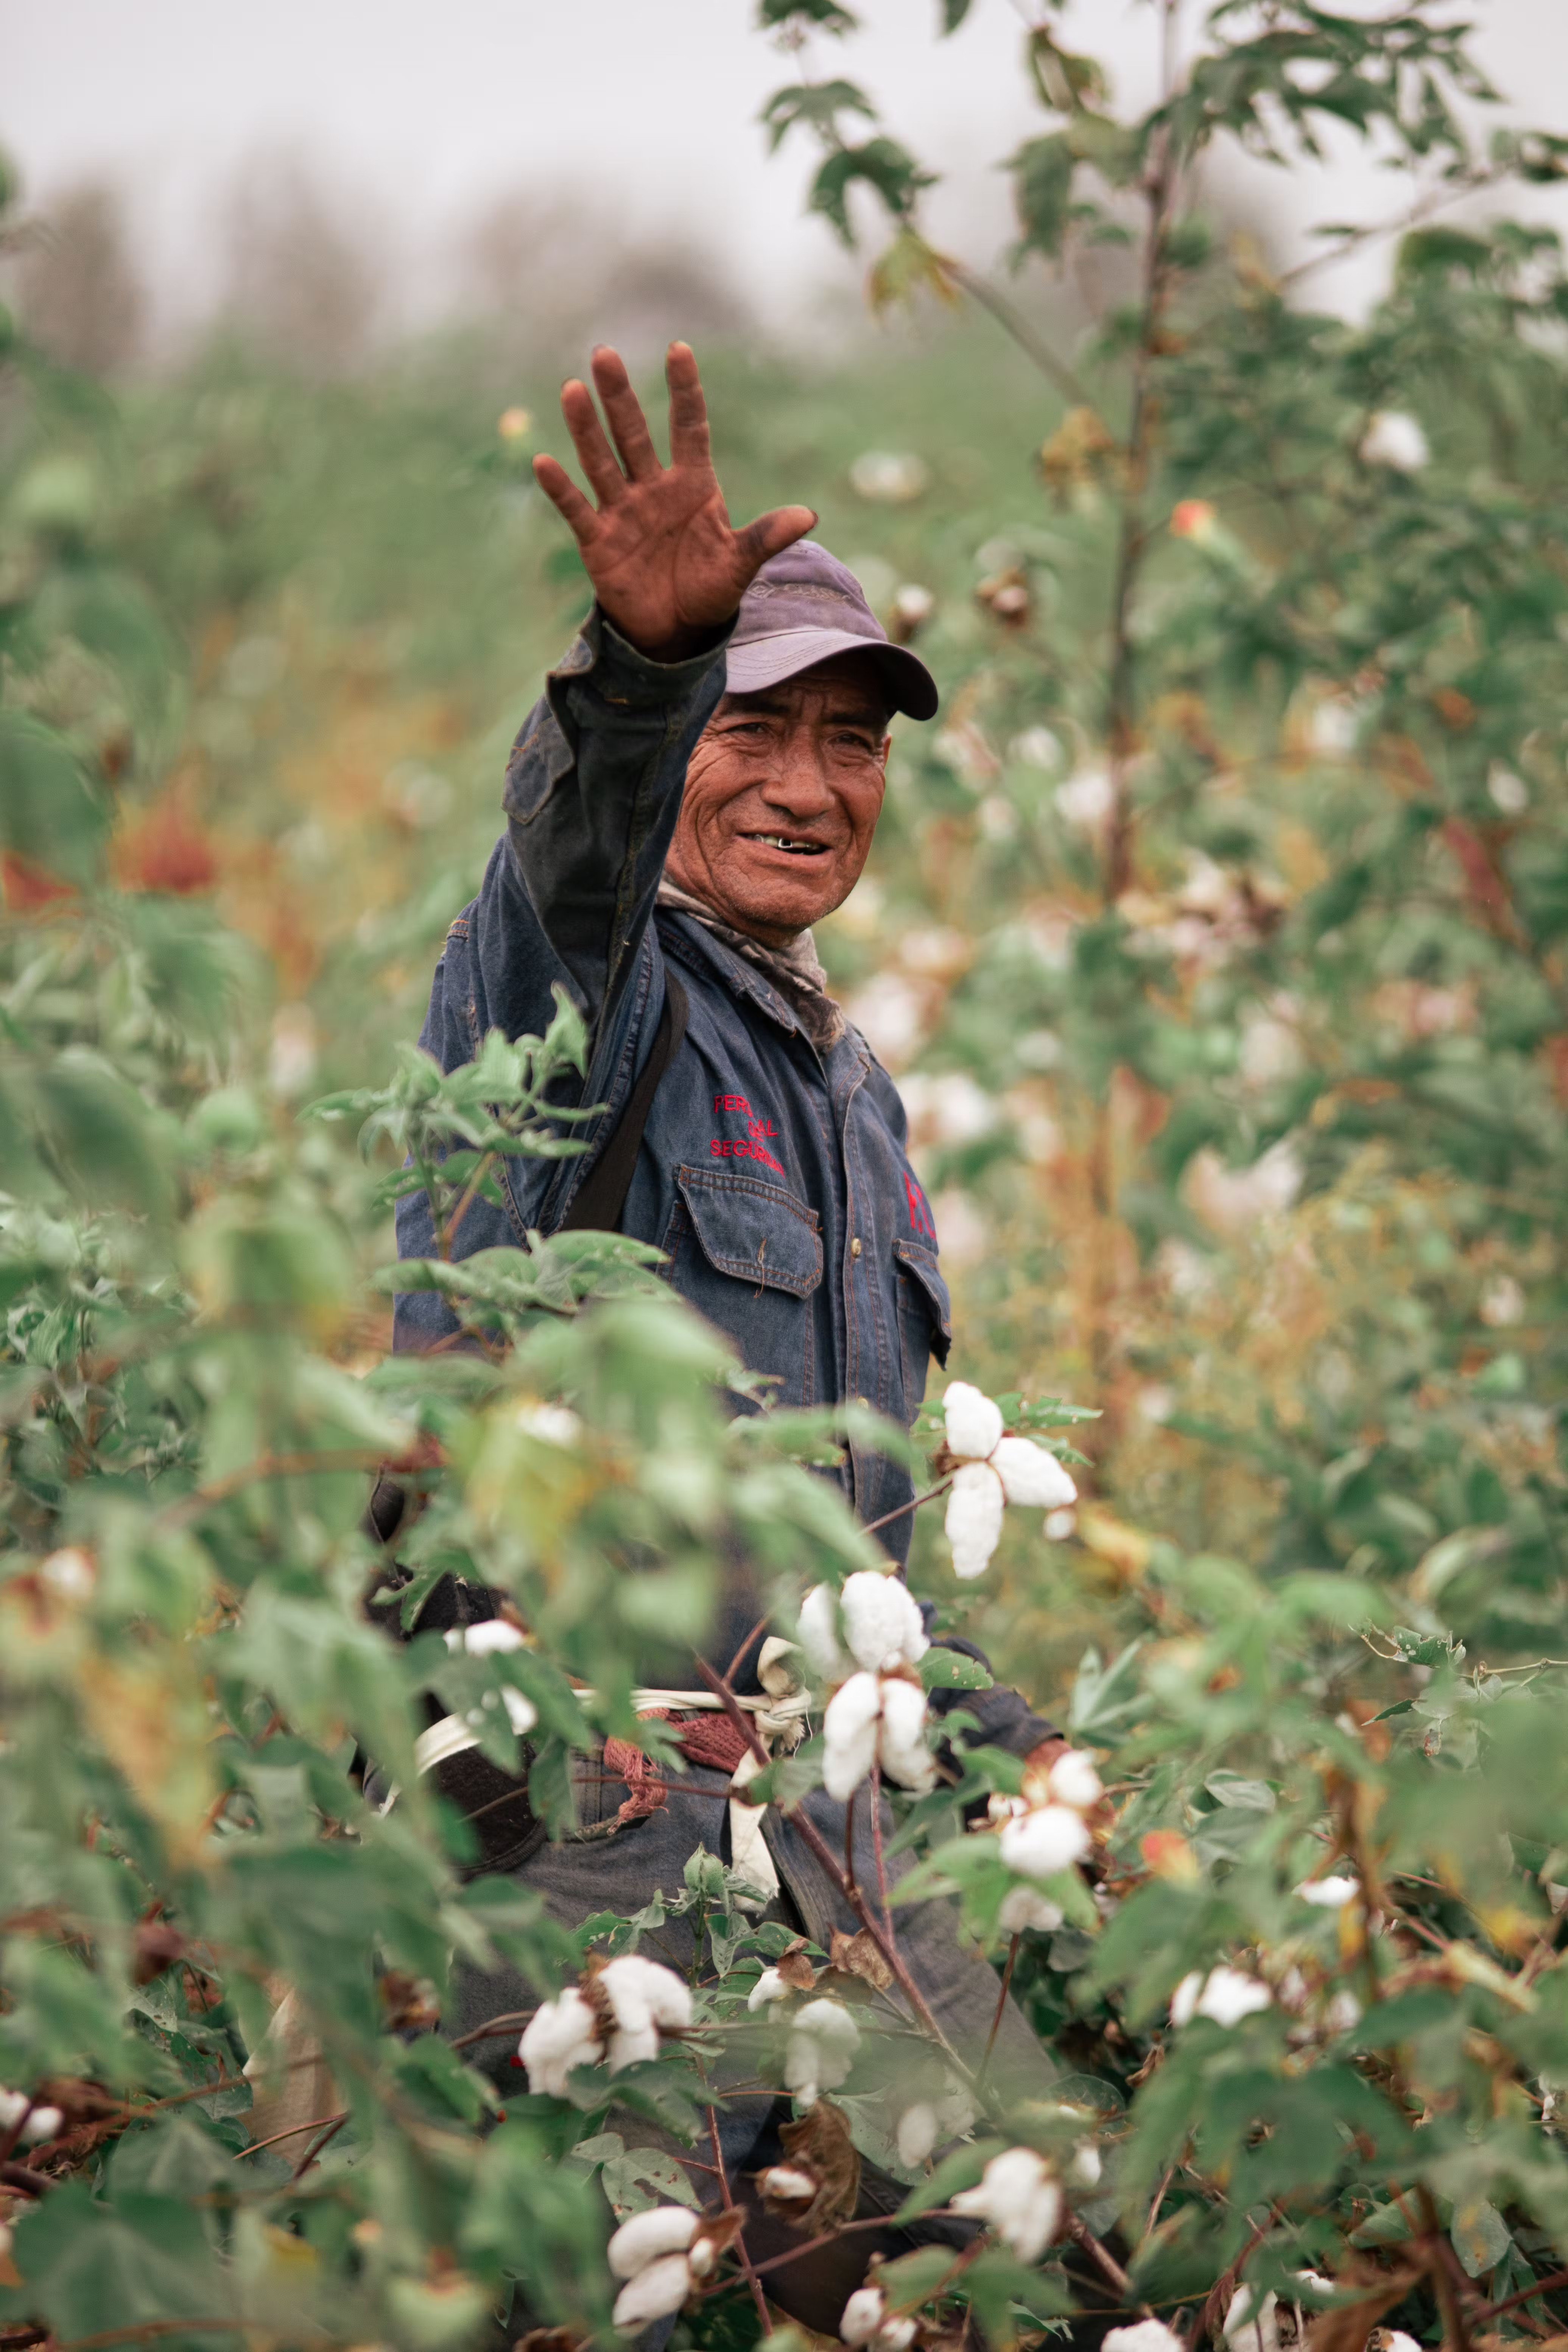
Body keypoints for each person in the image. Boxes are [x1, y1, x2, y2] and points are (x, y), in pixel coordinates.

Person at [392, 345, 1073, 2338]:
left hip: (837, 1833)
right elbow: (575, 869)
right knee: (639, 2298)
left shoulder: (847, 1093)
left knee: (1037, 2240)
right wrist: (632, 673)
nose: (806, 780)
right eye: (753, 724)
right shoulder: (579, 998)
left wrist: (1052, 1764)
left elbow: (850, 1568)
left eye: (852, 737)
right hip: (580, 1828)